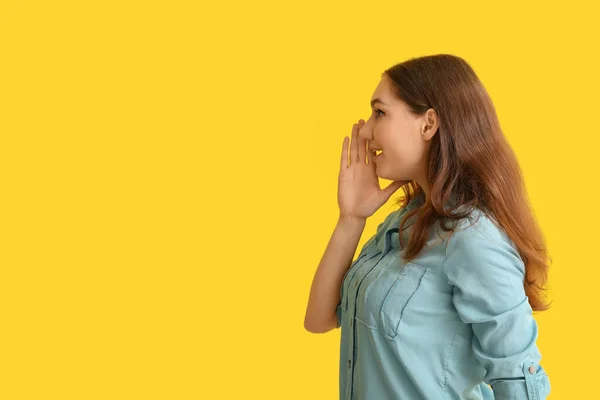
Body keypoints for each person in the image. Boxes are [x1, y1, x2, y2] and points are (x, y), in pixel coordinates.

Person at [303, 54, 552, 400]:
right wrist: (351, 219)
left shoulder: (473, 238)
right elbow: (318, 320)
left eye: (380, 112)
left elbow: (520, 384)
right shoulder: (402, 223)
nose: (364, 130)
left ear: (428, 123)